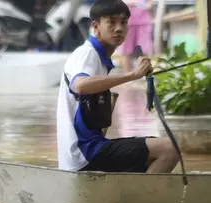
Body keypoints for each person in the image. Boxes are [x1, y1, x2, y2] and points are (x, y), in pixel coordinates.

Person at [56, 0, 178, 174]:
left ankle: (137, 195)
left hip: (89, 150)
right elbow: (80, 86)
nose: (119, 28)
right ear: (96, 26)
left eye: (124, 22)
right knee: (169, 148)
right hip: (85, 154)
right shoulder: (87, 54)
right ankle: (142, 199)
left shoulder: (99, 57)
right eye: (111, 22)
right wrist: (133, 75)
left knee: (155, 148)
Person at [118, 0, 154, 73]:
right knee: (126, 49)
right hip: (126, 21)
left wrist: (145, 6)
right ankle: (127, 75)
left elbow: (150, 4)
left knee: (144, 49)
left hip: (143, 21)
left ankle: (145, 74)